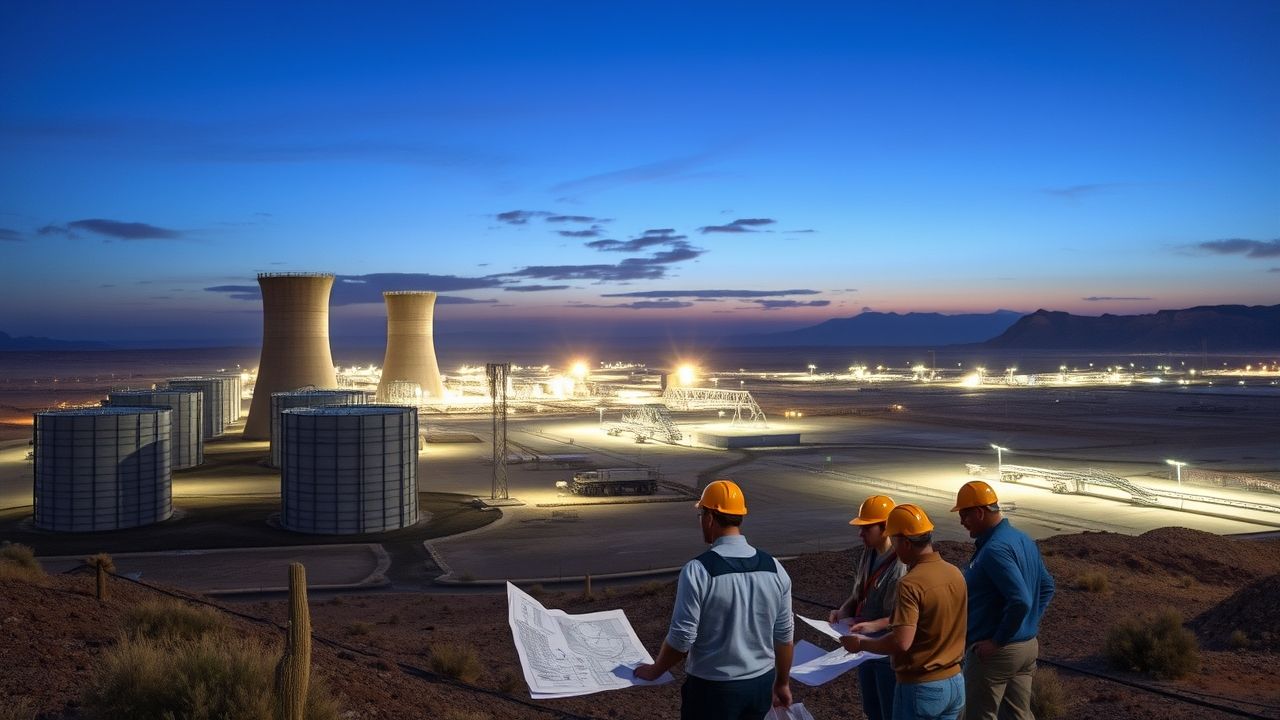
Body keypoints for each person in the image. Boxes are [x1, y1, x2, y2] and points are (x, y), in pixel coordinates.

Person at [634, 479, 795, 719]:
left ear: (709, 517)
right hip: (760, 686)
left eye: (701, 514)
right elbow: (784, 636)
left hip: (713, 690)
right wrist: (781, 683)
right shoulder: (775, 568)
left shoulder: (698, 570)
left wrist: (655, 670)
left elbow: (682, 638)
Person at [841, 503, 966, 720]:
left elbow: (901, 642)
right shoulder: (955, 573)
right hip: (955, 682)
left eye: (895, 542)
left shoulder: (910, 583)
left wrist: (860, 644)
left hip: (922, 687)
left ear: (906, 543)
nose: (894, 549)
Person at [951, 480, 1055, 720]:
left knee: (979, 716)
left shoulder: (995, 549)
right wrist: (1027, 625)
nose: (961, 522)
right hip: (1026, 647)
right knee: (1018, 715)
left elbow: (1020, 600)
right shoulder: (1022, 538)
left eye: (964, 515)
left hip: (997, 654)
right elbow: (1047, 587)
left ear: (979, 512)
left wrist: (998, 641)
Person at [829, 495, 909, 720]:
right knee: (872, 709)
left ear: (885, 528)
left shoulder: (900, 563)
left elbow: (904, 616)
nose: (860, 534)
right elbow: (858, 593)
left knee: (889, 711)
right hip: (866, 649)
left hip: (886, 651)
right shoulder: (868, 553)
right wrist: (843, 610)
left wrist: (873, 625)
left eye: (866, 528)